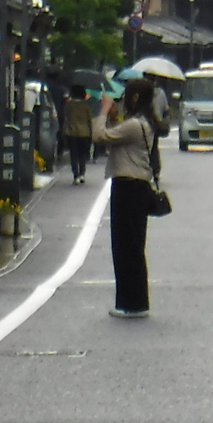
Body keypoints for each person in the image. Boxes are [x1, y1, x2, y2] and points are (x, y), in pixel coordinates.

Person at [92, 79, 159, 319]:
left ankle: (131, 303)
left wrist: (102, 111)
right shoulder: (141, 123)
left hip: (129, 188)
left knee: (125, 247)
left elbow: (100, 137)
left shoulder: (134, 125)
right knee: (131, 246)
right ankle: (134, 301)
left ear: (135, 98)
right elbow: (113, 137)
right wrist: (111, 117)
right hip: (136, 187)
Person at [62, 84, 93, 185]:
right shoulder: (86, 105)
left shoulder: (69, 105)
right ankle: (82, 173)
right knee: (82, 154)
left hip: (72, 132)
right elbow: (89, 120)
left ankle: (76, 175)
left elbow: (65, 118)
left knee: (74, 155)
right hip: (85, 133)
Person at [143, 72, 170, 177]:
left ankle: (146, 168)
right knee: (154, 147)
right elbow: (165, 109)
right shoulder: (160, 93)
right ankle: (156, 170)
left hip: (142, 123)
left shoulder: (141, 92)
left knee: (144, 148)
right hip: (156, 124)